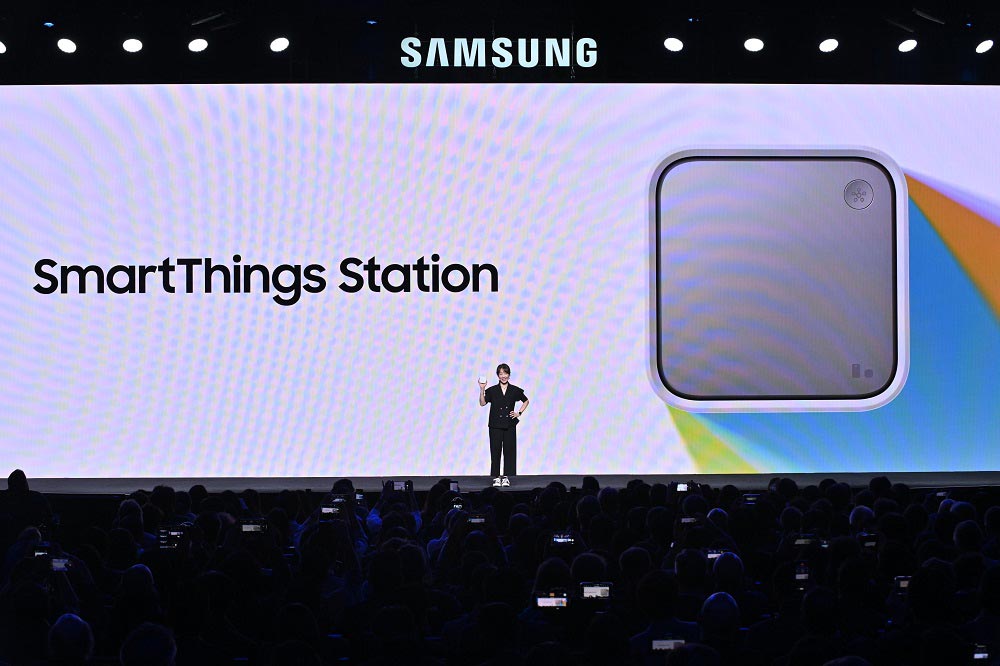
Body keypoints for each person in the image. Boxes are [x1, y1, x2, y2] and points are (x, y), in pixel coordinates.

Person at [479, 363, 529, 488]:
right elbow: (482, 403)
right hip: (495, 425)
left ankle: (506, 477)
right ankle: (496, 477)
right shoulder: (492, 390)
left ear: (509, 375)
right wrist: (482, 389)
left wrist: (519, 413)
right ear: (498, 375)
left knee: (509, 451)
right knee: (495, 451)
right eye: (501, 374)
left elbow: (526, 400)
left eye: (505, 373)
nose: (503, 376)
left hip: (509, 425)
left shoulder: (514, 390)